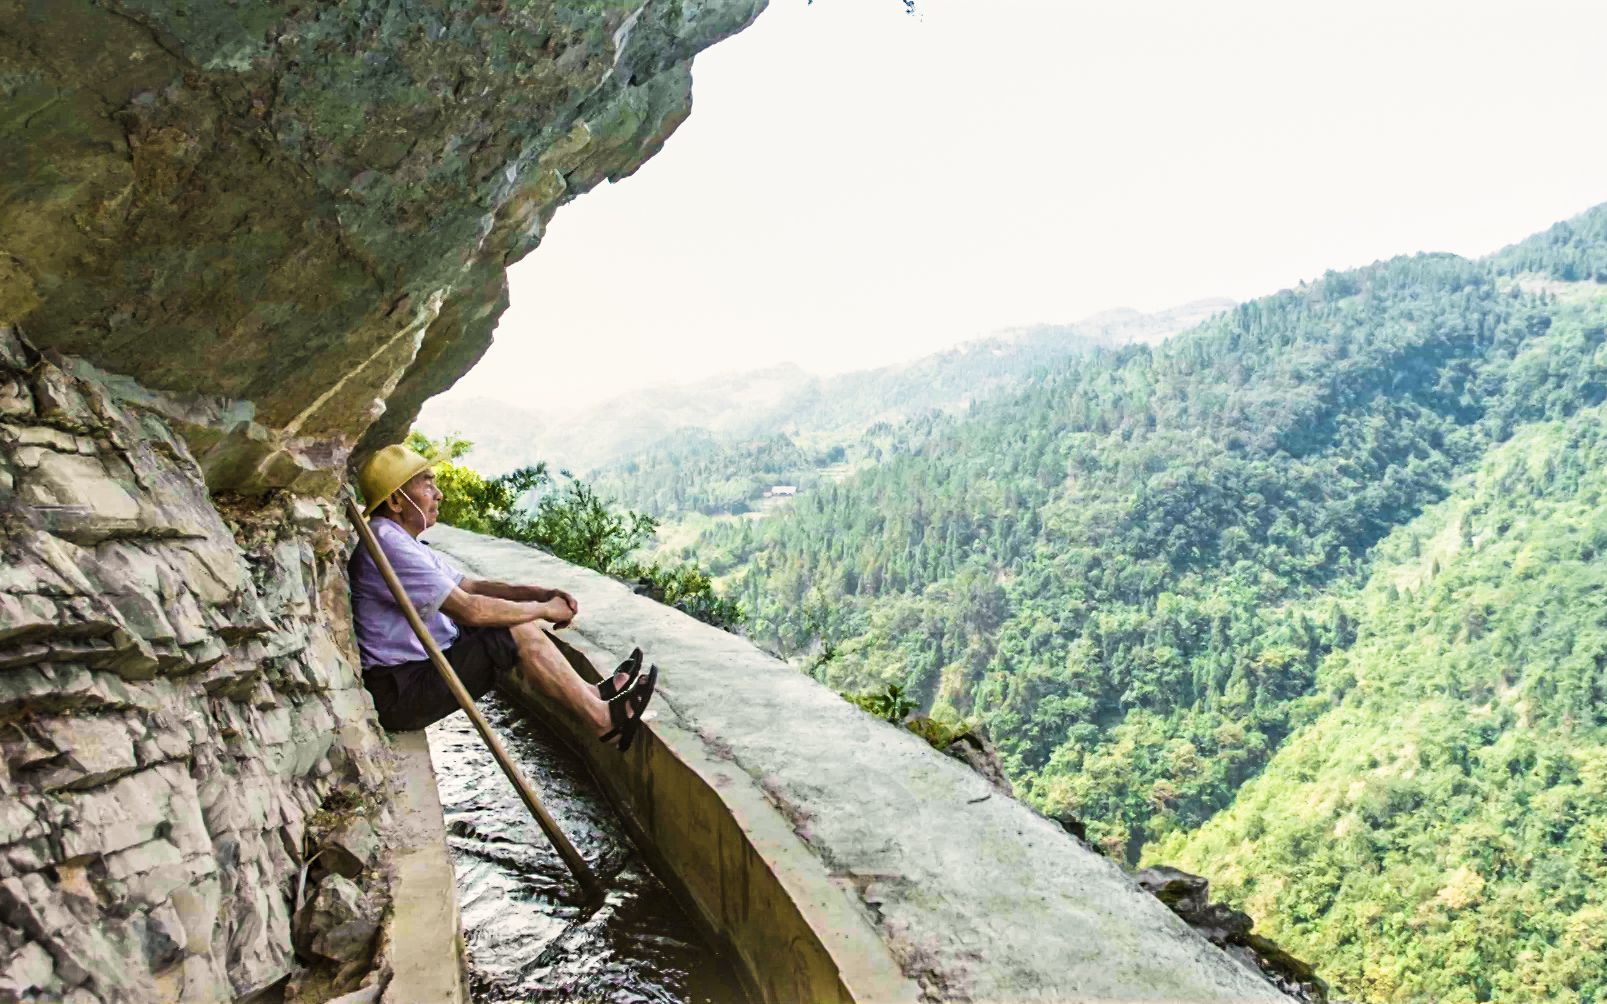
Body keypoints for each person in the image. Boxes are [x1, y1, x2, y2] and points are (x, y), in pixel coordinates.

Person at [349, 444, 655, 749]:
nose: (438, 493)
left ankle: (592, 696)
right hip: (401, 692)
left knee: (511, 621)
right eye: (427, 484)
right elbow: (470, 610)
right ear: (395, 501)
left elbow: (470, 586)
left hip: (416, 672)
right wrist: (543, 609)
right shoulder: (387, 543)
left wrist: (537, 593)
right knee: (509, 631)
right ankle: (604, 721)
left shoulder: (401, 539)